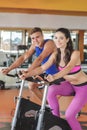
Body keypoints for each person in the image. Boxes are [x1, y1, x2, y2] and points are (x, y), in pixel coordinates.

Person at [19, 28, 87, 130]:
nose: (58, 41)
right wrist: (27, 73)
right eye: (55, 38)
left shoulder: (75, 53)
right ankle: (56, 121)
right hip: (70, 85)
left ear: (67, 39)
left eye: (61, 38)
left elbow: (68, 68)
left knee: (69, 115)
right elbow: (43, 67)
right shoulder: (56, 54)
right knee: (51, 90)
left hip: (83, 87)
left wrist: (54, 76)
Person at [1, 27, 58, 103]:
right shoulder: (34, 45)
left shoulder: (49, 43)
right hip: (46, 71)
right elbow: (24, 57)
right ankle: (47, 105)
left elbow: (40, 58)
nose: (35, 40)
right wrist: (9, 69)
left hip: (58, 73)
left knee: (52, 93)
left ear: (42, 36)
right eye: (33, 38)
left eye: (37, 37)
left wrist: (28, 72)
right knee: (31, 85)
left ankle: (50, 105)